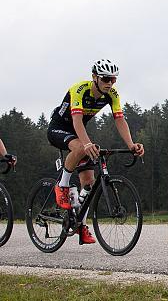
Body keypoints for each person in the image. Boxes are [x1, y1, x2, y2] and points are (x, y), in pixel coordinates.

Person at [47, 59, 145, 244]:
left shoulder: (112, 94)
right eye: (106, 79)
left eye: (113, 80)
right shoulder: (79, 89)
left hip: (78, 132)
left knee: (89, 183)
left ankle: (79, 224)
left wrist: (131, 144)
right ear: (94, 77)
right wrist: (86, 144)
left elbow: (119, 120)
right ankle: (62, 185)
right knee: (80, 147)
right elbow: (76, 121)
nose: (110, 83)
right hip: (59, 129)